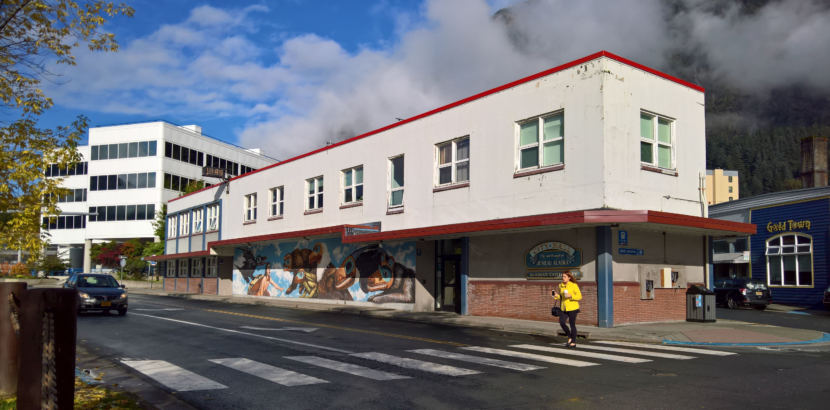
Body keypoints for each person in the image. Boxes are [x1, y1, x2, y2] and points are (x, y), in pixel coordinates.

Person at [553, 271, 582, 348]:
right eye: (562, 276)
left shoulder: (574, 285)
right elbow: (562, 297)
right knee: (562, 322)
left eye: (565, 277)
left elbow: (579, 296)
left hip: (573, 308)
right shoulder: (560, 285)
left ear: (569, 278)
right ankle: (569, 337)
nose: (563, 278)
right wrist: (556, 296)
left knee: (572, 324)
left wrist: (571, 296)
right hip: (564, 308)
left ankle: (573, 342)